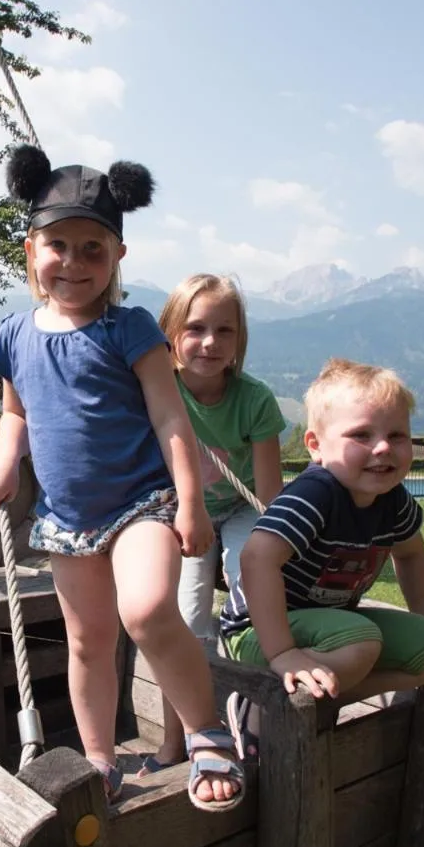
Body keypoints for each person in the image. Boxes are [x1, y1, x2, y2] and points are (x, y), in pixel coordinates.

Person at [0, 144, 245, 811]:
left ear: (118, 256)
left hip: (141, 503)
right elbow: (17, 411)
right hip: (67, 520)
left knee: (148, 610)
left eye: (93, 250)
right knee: (87, 642)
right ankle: (99, 759)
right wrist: (7, 460)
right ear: (29, 249)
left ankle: (209, 734)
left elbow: (171, 419)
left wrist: (191, 504)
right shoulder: (13, 335)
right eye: (58, 246)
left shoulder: (129, 331)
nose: (73, 263)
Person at [224, 358, 424, 745]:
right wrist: (283, 654)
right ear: (316, 446)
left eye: (397, 435)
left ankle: (322, 703)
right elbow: (256, 558)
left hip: (333, 630)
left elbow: (410, 554)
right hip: (257, 631)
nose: (382, 448)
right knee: (360, 642)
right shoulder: (316, 494)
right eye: (361, 435)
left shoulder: (393, 501)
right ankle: (257, 706)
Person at [139, 274, 286, 775]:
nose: (210, 342)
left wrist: (280, 552)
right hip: (182, 506)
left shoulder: (254, 400)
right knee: (185, 612)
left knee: (254, 586)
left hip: (241, 506)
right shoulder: (160, 391)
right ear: (171, 333)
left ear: (239, 340)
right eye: (196, 328)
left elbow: (267, 494)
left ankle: (256, 720)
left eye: (225, 331)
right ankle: (175, 739)